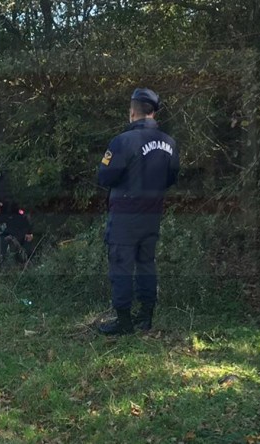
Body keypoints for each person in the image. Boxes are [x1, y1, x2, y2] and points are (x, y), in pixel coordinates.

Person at [96, 88, 180, 336]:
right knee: (147, 264)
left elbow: (105, 176)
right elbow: (171, 177)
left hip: (125, 215)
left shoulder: (123, 141)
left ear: (133, 112)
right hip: (152, 215)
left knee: (121, 266)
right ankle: (146, 317)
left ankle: (123, 320)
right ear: (153, 112)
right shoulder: (170, 143)